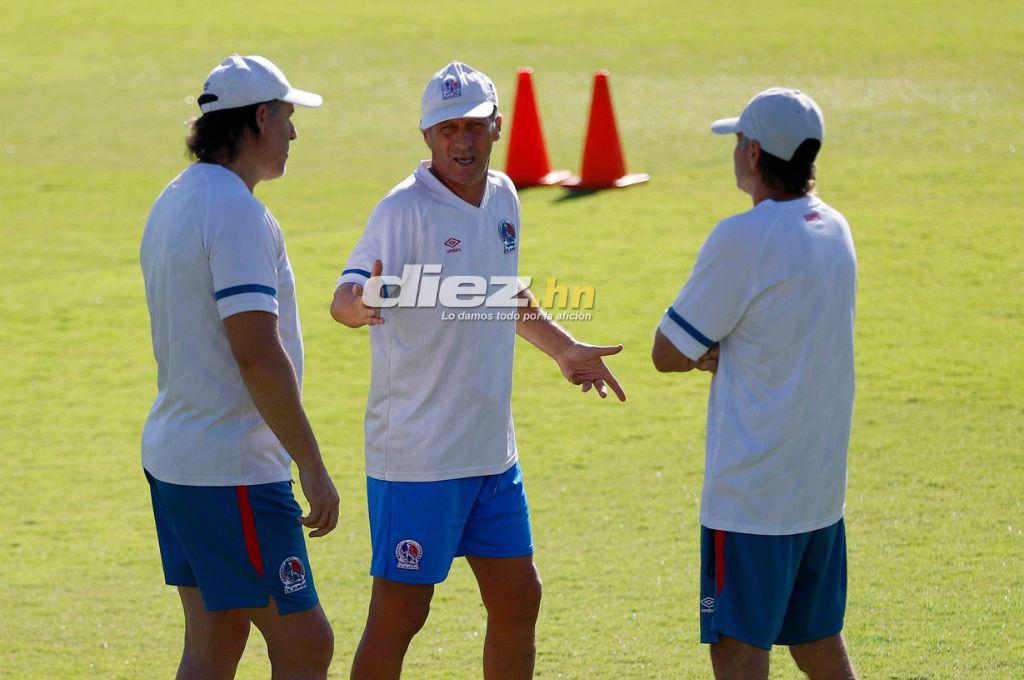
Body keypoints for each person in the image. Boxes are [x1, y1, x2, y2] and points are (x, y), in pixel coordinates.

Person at [331, 61, 626, 680]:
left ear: (497, 126)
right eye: (447, 129)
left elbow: (500, 293)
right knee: (401, 615)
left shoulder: (505, 196)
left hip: (492, 454)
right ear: (427, 135)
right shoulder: (402, 210)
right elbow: (344, 298)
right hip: (418, 458)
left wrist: (564, 348)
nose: (461, 141)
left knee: (519, 598)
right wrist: (363, 306)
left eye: (472, 125)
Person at [140, 54, 339, 679]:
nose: (294, 133)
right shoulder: (236, 213)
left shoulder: (175, 198)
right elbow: (255, 352)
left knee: (217, 636)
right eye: (287, 117)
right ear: (258, 119)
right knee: (306, 643)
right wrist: (311, 465)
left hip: (178, 459)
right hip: (233, 474)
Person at [651, 88, 859, 679]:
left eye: (739, 140)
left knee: (737, 647)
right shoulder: (835, 227)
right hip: (818, 488)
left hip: (752, 496)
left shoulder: (742, 237)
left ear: (754, 153)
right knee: (817, 641)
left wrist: (714, 352)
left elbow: (668, 352)